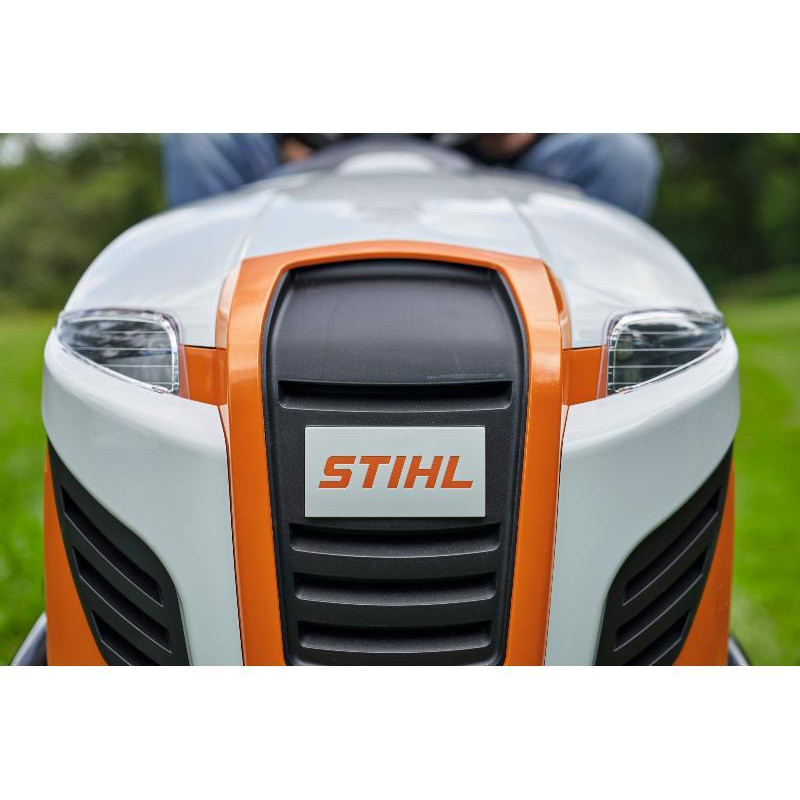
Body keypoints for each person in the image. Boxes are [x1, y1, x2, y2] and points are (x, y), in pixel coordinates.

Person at [163, 133, 662, 219]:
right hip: (309, 159)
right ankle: (208, 324)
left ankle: (591, 325)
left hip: (478, 162)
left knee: (619, 152)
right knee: (197, 139)